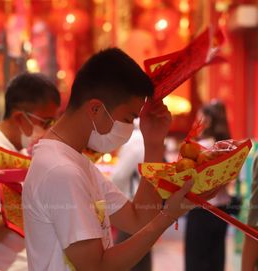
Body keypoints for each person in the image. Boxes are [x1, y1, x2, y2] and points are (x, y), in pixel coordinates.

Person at [22, 48, 211, 270]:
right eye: (127, 118)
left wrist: (153, 144)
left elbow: (138, 219)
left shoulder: (75, 163)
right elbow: (98, 267)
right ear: (95, 109)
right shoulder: (61, 170)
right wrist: (169, 215)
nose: (129, 128)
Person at [0, 72, 61, 270]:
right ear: (19, 117)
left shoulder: (22, 152)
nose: (50, 130)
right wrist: (30, 197)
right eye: (46, 123)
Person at [185, 100, 233, 271]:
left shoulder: (201, 148)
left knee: (196, 260)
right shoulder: (227, 146)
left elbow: (188, 179)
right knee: (216, 257)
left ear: (207, 120)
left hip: (201, 209)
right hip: (222, 208)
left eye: (198, 117)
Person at [111, 118, 152, 271]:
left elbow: (119, 175)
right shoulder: (147, 138)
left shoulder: (134, 140)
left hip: (132, 201)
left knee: (126, 254)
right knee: (143, 250)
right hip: (148, 201)